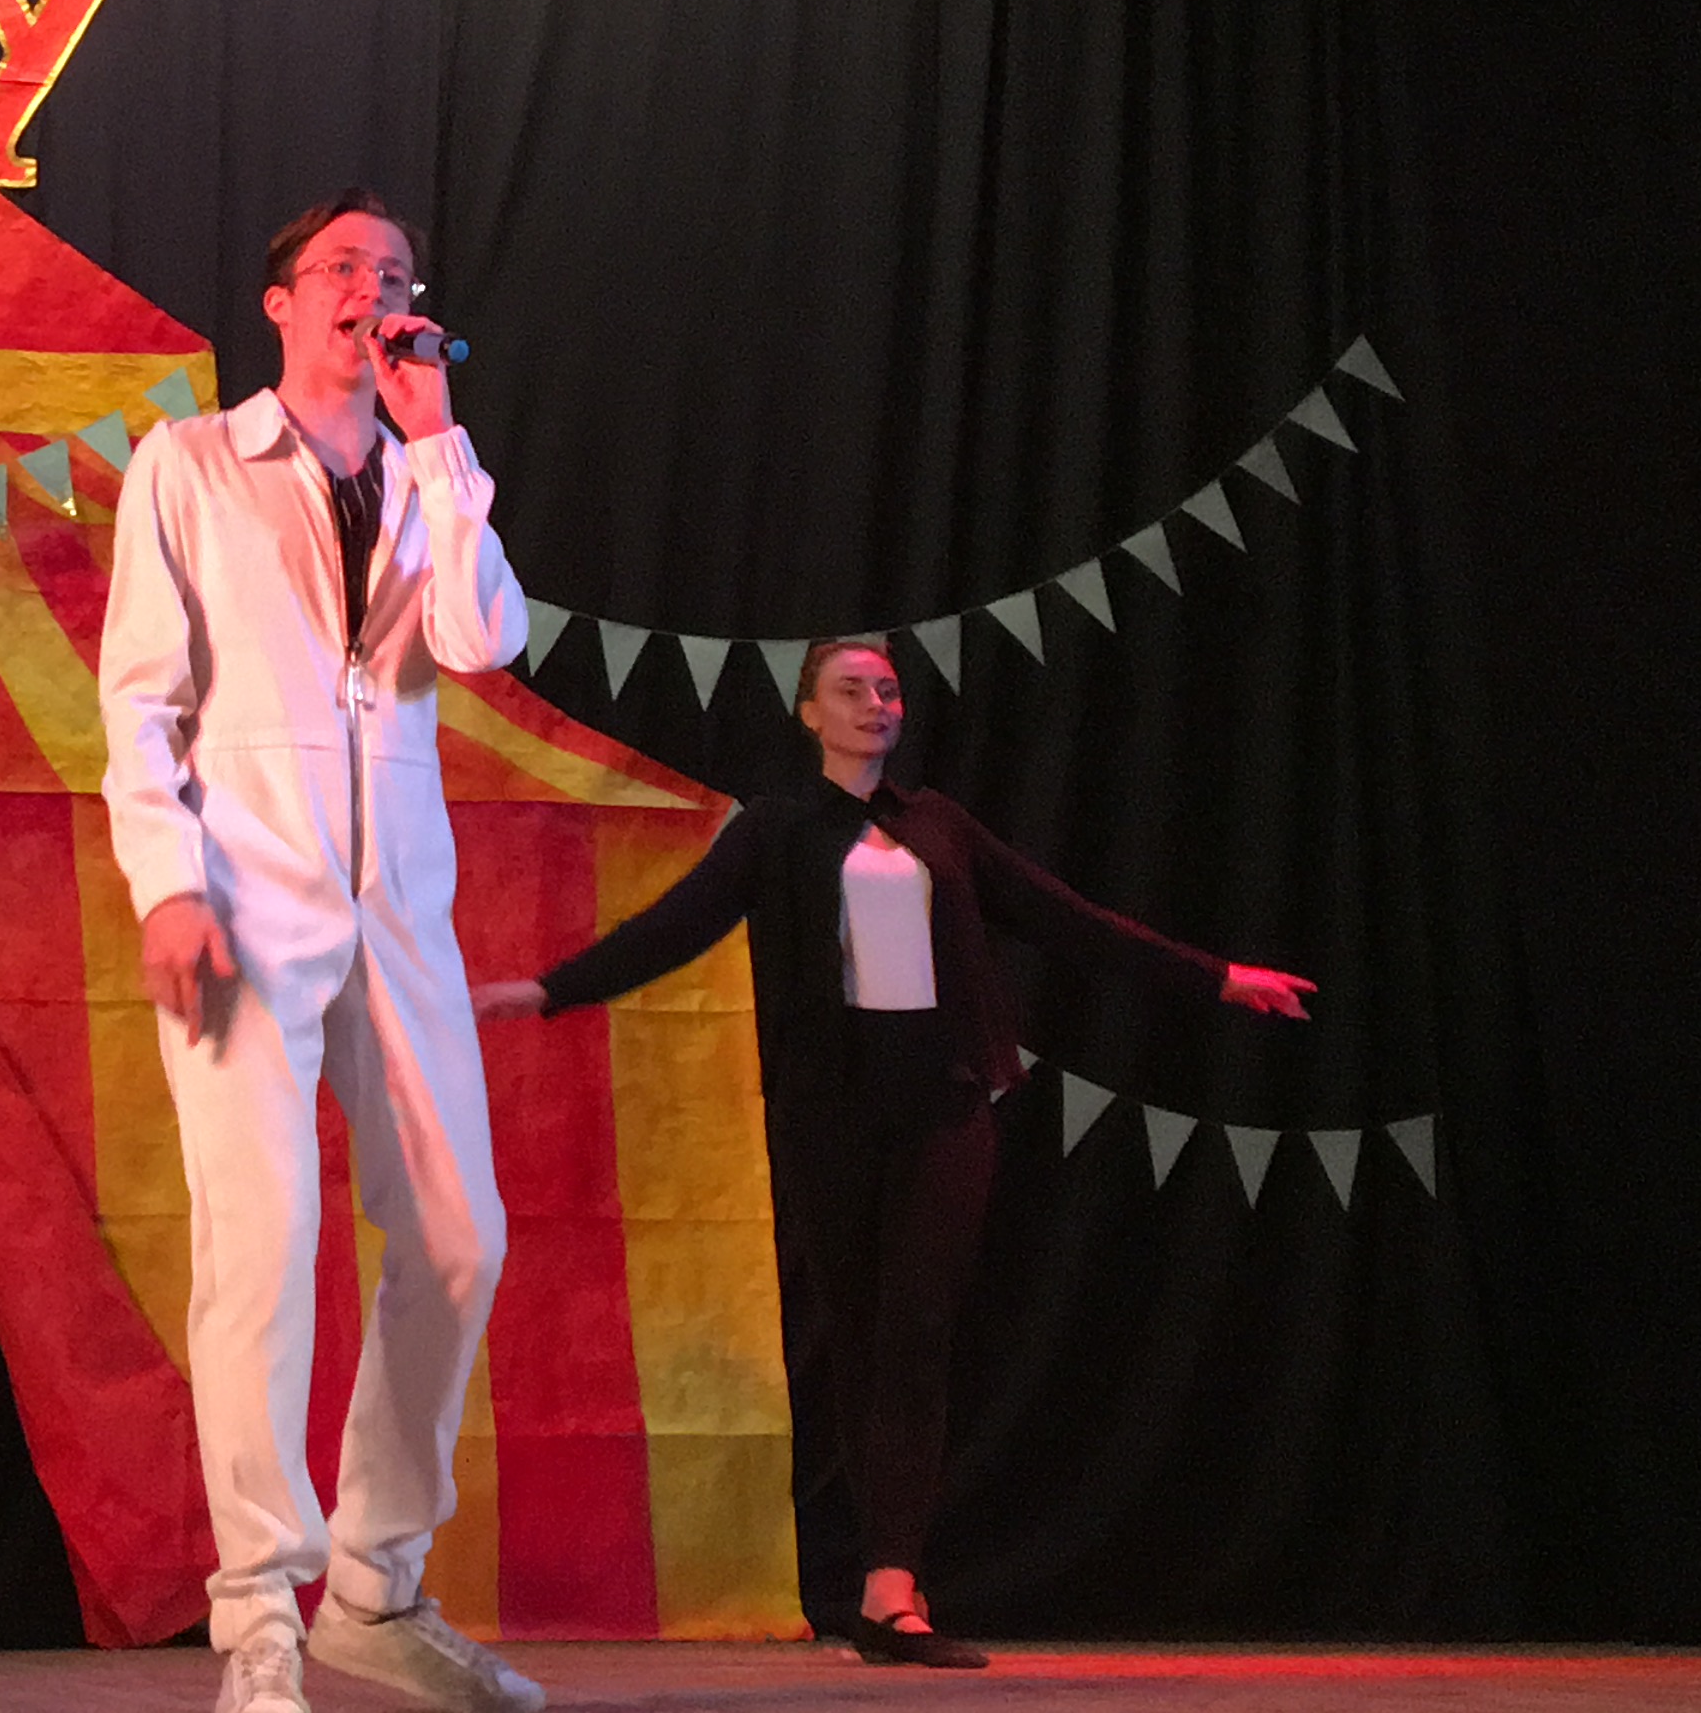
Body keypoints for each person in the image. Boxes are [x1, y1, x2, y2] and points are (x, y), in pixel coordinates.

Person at [472, 637, 1314, 1669]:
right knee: (862, 1337)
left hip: (943, 1099)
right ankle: (879, 1590)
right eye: (851, 690)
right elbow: (678, 925)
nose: (875, 703)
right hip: (832, 1110)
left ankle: (892, 1588)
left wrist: (1215, 977)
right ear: (808, 713)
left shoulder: (938, 825)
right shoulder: (777, 829)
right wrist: (548, 991)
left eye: (887, 689)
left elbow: (1066, 919)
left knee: (915, 1330)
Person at [99, 191, 541, 1713]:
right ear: (280, 302)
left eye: (396, 272)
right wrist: (167, 883)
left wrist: (439, 445)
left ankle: (373, 1586)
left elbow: (484, 641)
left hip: (399, 905)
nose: (375, 288)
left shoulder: (426, 476)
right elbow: (138, 699)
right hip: (244, 895)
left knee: (461, 1236)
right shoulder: (192, 462)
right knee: (265, 1243)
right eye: (344, 266)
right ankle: (257, 1613)